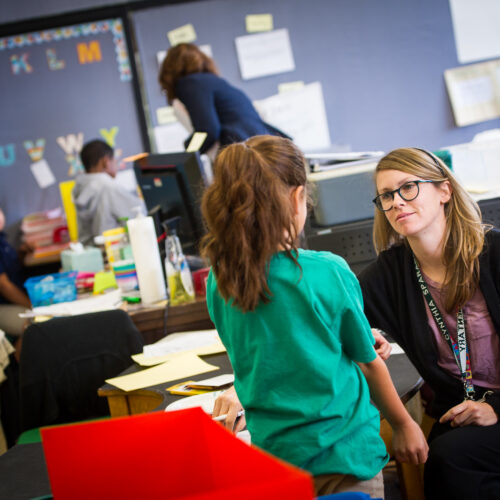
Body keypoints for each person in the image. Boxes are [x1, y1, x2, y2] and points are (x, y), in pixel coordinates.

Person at [201, 135, 428, 497]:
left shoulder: (219, 280)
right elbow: (368, 363)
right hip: (345, 457)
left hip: (276, 463)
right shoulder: (327, 271)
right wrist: (403, 425)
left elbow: (265, 350)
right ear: (297, 198)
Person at [358, 147, 500, 499]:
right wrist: (369, 333)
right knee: (441, 457)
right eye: (387, 196)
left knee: (452, 459)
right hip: (460, 415)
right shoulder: (388, 274)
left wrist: (495, 408)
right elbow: (329, 325)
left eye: (408, 187)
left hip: (493, 412)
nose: (396, 203)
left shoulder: (494, 253)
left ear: (444, 191)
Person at [158, 43, 289, 159]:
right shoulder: (215, 81)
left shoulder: (191, 84)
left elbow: (207, 130)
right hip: (264, 146)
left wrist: (189, 151)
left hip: (242, 151)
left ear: (170, 70)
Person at [73, 140, 144, 245]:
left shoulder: (80, 185)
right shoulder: (107, 186)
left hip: (91, 252)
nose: (116, 164)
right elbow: (139, 214)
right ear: (106, 162)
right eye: (114, 160)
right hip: (111, 252)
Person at [0, 207, 31, 338]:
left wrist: (21, 253)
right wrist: (31, 305)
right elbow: (3, 285)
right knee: (35, 325)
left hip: (15, 301)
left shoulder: (2, 240)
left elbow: (9, 266)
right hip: (4, 305)